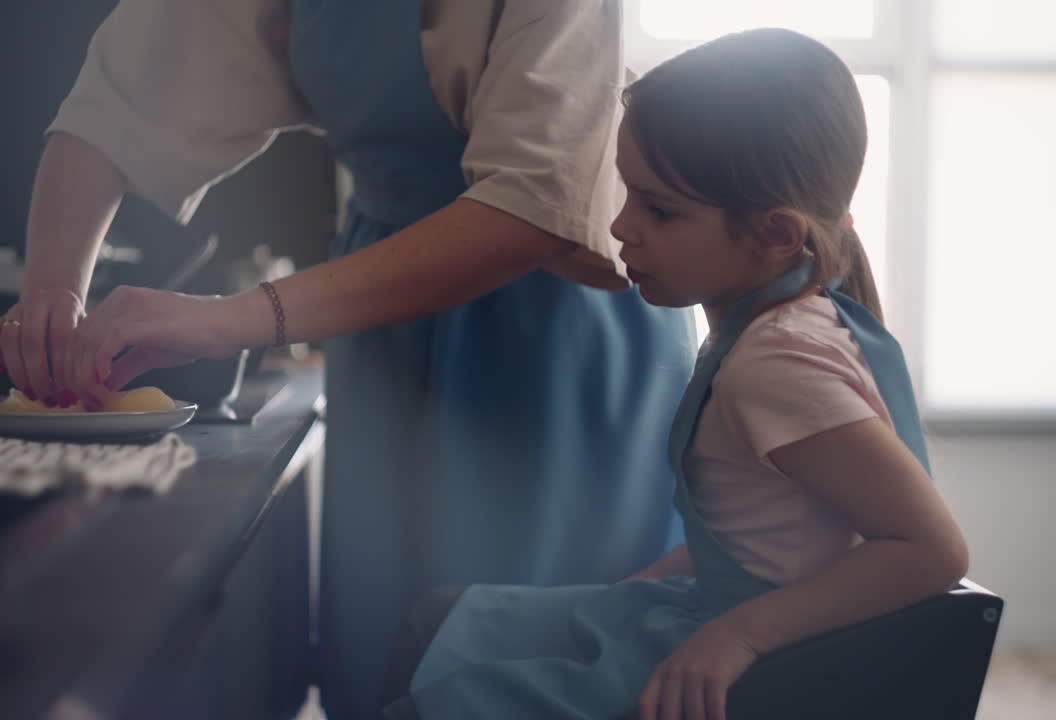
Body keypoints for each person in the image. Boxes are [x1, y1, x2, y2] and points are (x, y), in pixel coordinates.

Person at [0, 1, 696, 717]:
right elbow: (116, 105)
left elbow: (535, 203)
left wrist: (230, 319)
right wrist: (51, 291)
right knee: (383, 648)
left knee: (528, 667)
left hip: (552, 332)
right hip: (381, 326)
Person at [378, 27, 970, 720]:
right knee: (442, 622)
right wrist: (649, 580)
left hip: (761, 654)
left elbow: (933, 550)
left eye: (659, 209)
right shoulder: (793, 320)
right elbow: (776, 537)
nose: (622, 226)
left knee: (442, 684)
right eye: (627, 191)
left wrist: (736, 636)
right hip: (707, 606)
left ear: (776, 234)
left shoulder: (775, 365)